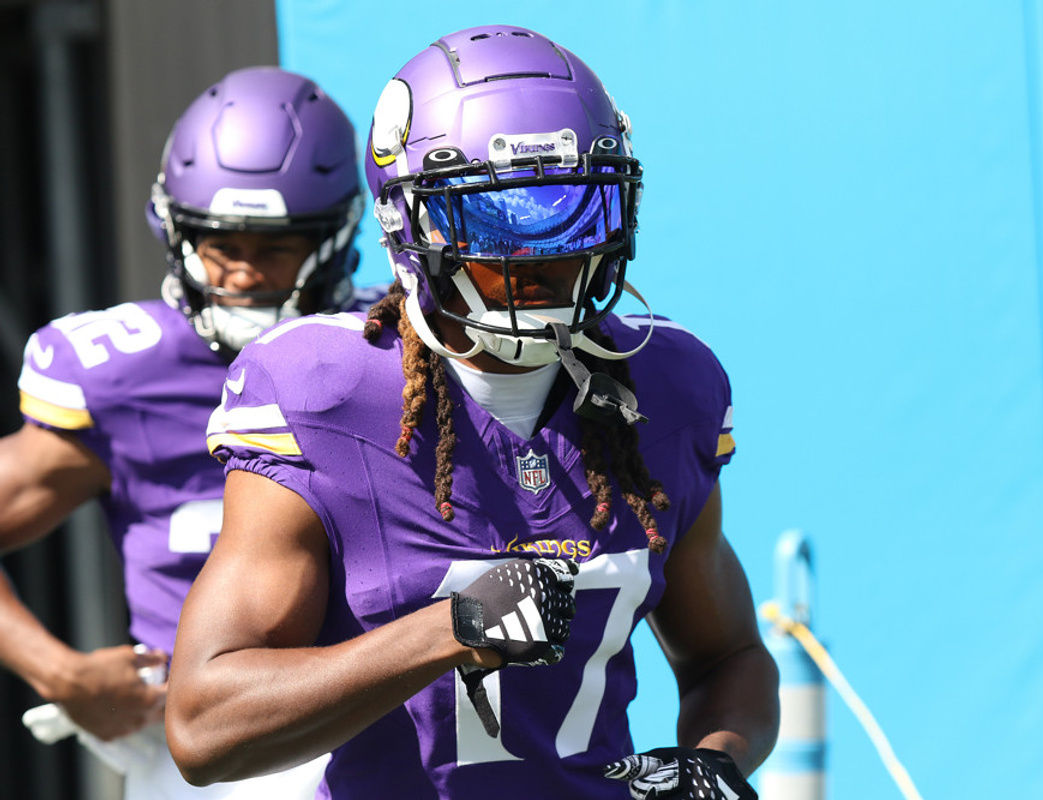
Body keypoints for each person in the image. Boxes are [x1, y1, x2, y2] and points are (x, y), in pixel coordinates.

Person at [167, 25, 780, 800]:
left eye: (574, 208)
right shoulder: (325, 391)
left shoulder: (665, 385)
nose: (539, 256)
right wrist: (449, 629)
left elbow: (729, 656)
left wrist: (718, 759)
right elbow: (202, 729)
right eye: (493, 220)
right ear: (407, 224)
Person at [0, 65, 377, 798]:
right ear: (176, 233)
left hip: (384, 719)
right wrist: (60, 672)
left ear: (332, 239)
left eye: (272, 247)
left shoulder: (386, 348)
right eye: (219, 245)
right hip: (222, 748)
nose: (240, 274)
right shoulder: (122, 371)